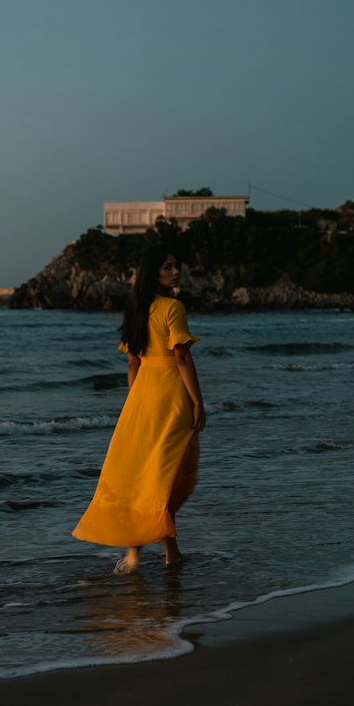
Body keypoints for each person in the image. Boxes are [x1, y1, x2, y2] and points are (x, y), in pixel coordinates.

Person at [72, 242, 206, 572]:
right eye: (168, 267)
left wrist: (134, 402)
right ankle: (167, 552)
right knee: (171, 477)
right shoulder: (172, 307)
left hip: (141, 397)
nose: (176, 272)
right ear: (153, 273)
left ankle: (141, 552)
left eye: (177, 265)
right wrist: (198, 402)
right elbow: (182, 357)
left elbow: (133, 364)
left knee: (145, 477)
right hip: (169, 395)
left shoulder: (135, 309)